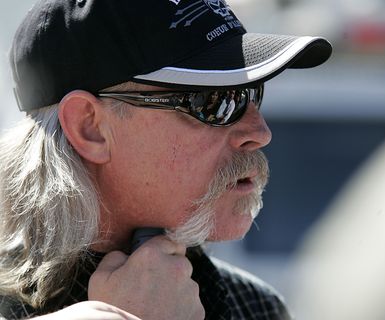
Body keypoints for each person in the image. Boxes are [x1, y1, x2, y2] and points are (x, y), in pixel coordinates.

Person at [0, 0, 332, 319]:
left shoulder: (256, 306)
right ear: (90, 127)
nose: (260, 132)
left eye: (250, 93)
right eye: (214, 100)